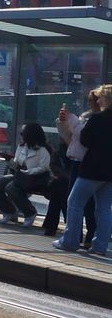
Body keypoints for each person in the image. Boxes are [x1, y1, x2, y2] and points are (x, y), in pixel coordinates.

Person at [53, 83, 112, 258]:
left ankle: (70, 241)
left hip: (92, 169)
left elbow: (85, 140)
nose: (98, 100)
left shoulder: (97, 119)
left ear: (107, 99)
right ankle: (100, 246)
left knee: (74, 202)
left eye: (101, 97)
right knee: (104, 208)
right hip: (110, 172)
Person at [52, 92, 101, 242]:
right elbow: (71, 138)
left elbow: (82, 139)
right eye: (89, 100)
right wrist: (63, 122)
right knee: (75, 200)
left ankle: (85, 236)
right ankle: (76, 235)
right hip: (77, 161)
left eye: (93, 100)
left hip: (91, 163)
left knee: (87, 202)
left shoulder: (98, 119)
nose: (90, 103)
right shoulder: (85, 117)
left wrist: (72, 123)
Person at [0, 122, 52, 225]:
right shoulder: (21, 147)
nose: (21, 136)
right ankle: (9, 211)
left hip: (37, 179)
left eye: (23, 133)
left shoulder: (43, 149)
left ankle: (30, 213)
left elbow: (44, 167)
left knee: (11, 188)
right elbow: (17, 164)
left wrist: (28, 172)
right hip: (20, 176)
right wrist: (9, 160)